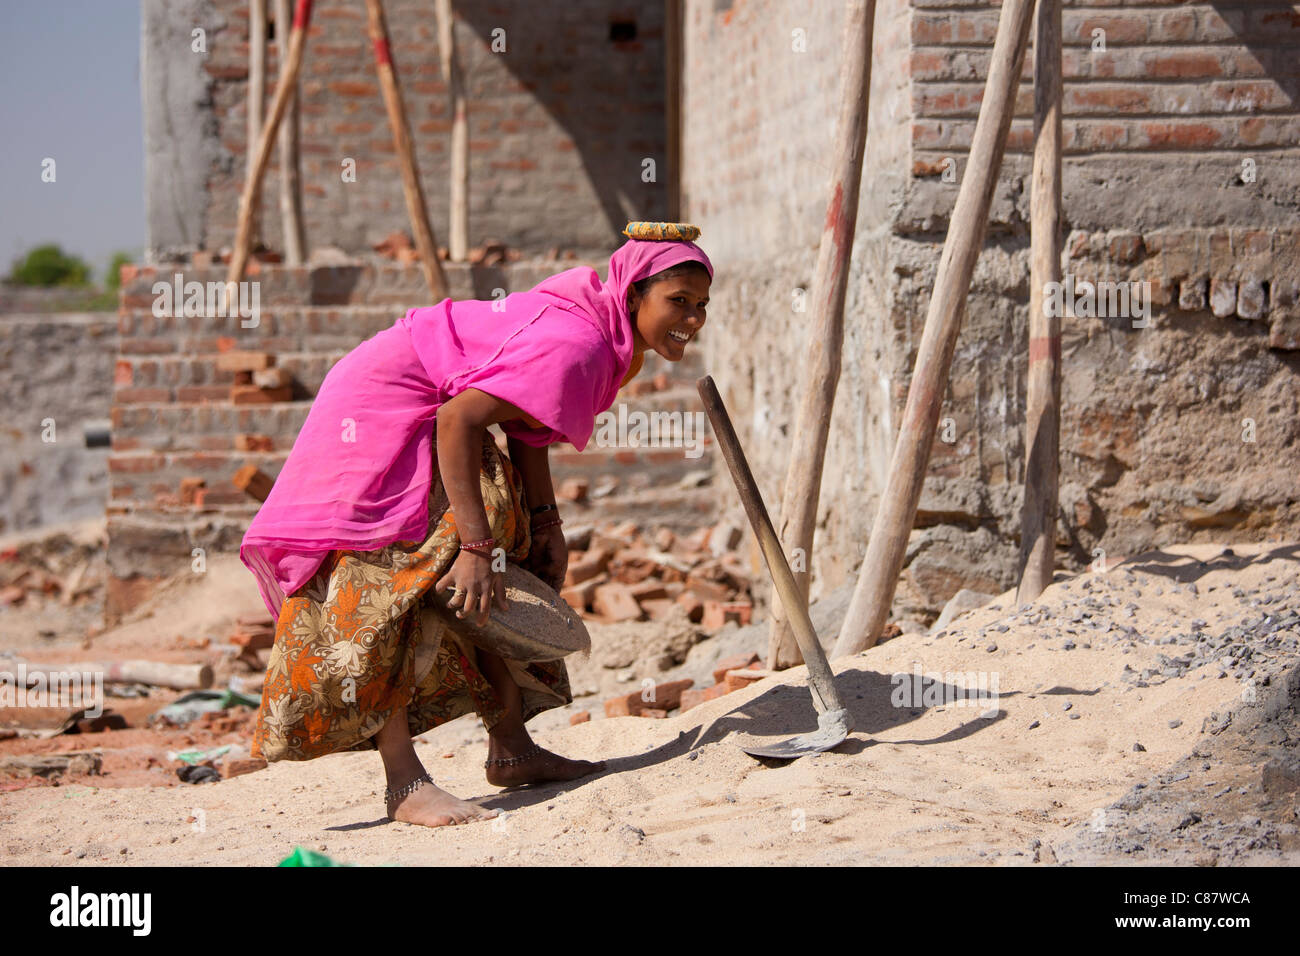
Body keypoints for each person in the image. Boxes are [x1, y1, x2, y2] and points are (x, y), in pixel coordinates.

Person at [240, 222, 713, 828]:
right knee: (393, 578)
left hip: (433, 414)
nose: (693, 319)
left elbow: (526, 424)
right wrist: (473, 545)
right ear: (632, 293)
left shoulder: (605, 338)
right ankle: (403, 782)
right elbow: (460, 421)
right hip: (378, 410)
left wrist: (546, 525)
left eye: (701, 306)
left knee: (497, 544)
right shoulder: (583, 345)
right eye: (678, 301)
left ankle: (512, 749)